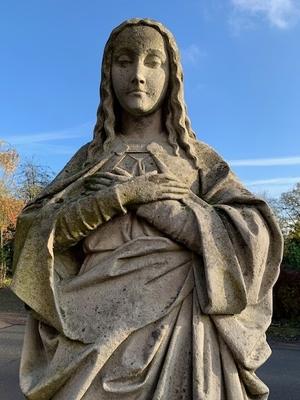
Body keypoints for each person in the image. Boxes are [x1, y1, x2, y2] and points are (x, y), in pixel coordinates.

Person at [12, 18, 283, 400]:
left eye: (153, 62)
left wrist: (158, 206)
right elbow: (36, 233)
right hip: (91, 332)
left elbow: (255, 234)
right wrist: (115, 198)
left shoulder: (195, 160)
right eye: (124, 61)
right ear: (107, 74)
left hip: (185, 332)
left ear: (172, 75)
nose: (138, 75)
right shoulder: (91, 160)